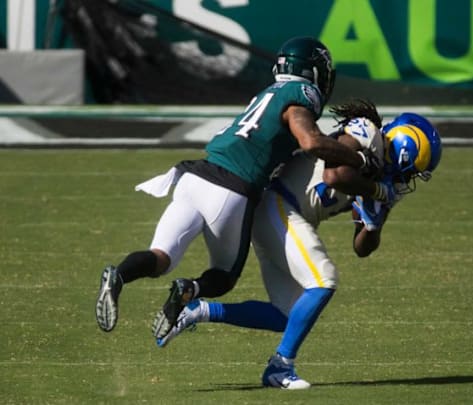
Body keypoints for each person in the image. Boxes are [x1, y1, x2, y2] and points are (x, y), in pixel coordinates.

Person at [94, 37, 390, 336]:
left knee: (160, 258)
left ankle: (119, 275)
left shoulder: (270, 92)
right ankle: (189, 290)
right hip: (231, 188)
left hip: (194, 176)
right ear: (314, 73)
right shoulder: (304, 93)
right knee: (224, 277)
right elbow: (311, 141)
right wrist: (360, 159)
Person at [155, 103, 442, 390]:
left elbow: (361, 248)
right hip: (279, 204)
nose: (408, 180)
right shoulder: (368, 133)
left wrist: (374, 223)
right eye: (412, 171)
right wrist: (377, 191)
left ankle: (197, 310)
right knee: (323, 280)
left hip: (285, 216)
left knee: (287, 314)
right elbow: (335, 175)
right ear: (405, 151)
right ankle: (281, 366)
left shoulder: (383, 182)